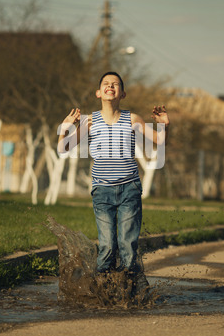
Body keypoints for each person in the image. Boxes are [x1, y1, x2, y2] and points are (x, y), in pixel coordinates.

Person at [58, 71, 170, 298]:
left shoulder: (133, 119)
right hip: (102, 191)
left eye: (116, 84)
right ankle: (102, 294)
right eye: (106, 84)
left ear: (123, 93)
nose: (111, 86)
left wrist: (164, 125)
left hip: (130, 189)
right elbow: (63, 148)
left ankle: (131, 295)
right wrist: (65, 126)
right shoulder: (89, 121)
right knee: (108, 247)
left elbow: (159, 141)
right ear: (99, 92)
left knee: (128, 246)